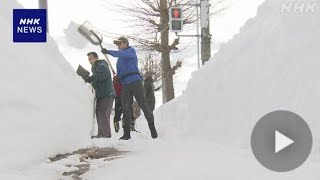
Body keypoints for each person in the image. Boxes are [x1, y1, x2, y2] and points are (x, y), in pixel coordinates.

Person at [101, 37, 158, 140]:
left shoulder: (131, 51)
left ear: (126, 43)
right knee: (126, 108)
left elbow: (123, 54)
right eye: (117, 45)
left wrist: (109, 52)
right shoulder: (118, 61)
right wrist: (118, 77)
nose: (118, 46)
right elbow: (120, 73)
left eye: (120, 44)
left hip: (135, 82)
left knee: (143, 105)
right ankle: (126, 133)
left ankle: (152, 129)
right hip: (125, 85)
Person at [85, 52, 115, 138]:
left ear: (96, 58)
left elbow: (103, 75)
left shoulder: (101, 64)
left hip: (106, 94)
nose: (89, 60)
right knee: (100, 114)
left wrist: (92, 78)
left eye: (91, 58)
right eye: (88, 59)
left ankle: (105, 134)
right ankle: (102, 133)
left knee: (103, 113)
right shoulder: (96, 67)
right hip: (102, 94)